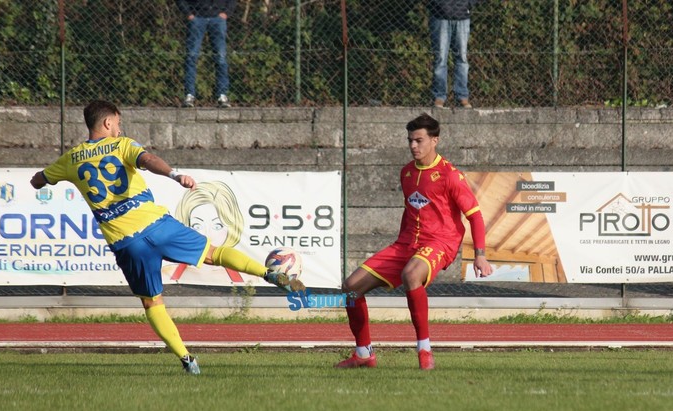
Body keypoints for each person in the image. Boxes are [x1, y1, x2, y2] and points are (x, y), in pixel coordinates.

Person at [30, 100, 303, 375]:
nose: (120, 128)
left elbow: (37, 180)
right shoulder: (121, 145)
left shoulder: (71, 159)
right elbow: (147, 160)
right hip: (156, 225)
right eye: (118, 123)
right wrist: (174, 174)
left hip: (126, 243)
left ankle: (187, 360)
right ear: (107, 123)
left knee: (152, 302)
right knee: (213, 253)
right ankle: (268, 274)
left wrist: (45, 178)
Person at [335, 113, 492, 370]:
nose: (413, 146)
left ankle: (424, 350)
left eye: (419, 140)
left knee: (411, 274)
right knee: (351, 287)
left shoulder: (450, 175)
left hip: (440, 242)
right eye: (410, 140)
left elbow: (474, 216)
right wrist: (400, 245)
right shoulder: (406, 173)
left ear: (435, 140)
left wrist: (480, 254)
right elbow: (410, 210)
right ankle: (363, 354)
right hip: (407, 244)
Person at [176, 0, 236, 108]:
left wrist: (226, 12)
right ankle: (189, 95)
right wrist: (189, 14)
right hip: (197, 18)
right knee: (191, 57)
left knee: (221, 58)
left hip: (218, 19)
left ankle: (222, 95)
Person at [428, 0, 481, 109]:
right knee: (440, 59)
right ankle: (439, 97)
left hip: (462, 17)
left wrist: (468, 4)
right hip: (439, 17)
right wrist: (437, 5)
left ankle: (462, 96)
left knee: (462, 58)